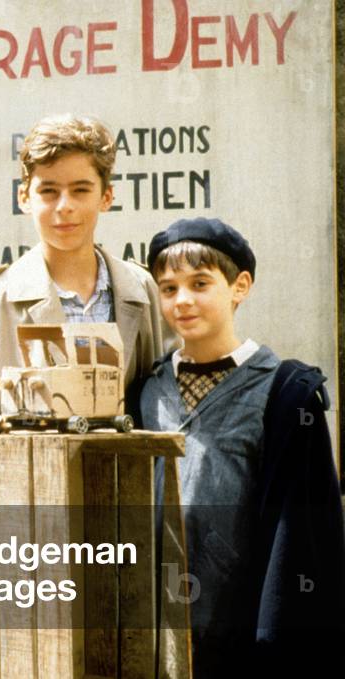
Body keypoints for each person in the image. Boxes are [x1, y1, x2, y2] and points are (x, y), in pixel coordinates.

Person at [138, 217, 345, 677]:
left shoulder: (285, 392)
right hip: (153, 624)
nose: (182, 300)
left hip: (239, 628)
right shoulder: (148, 390)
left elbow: (309, 529)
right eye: (168, 288)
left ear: (240, 286)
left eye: (200, 283)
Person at [0, 114, 168, 490]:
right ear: (25, 197)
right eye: (49, 191)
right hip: (28, 513)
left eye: (81, 190)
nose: (64, 206)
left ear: (107, 197)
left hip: (123, 507)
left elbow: (164, 403)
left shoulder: (142, 291)